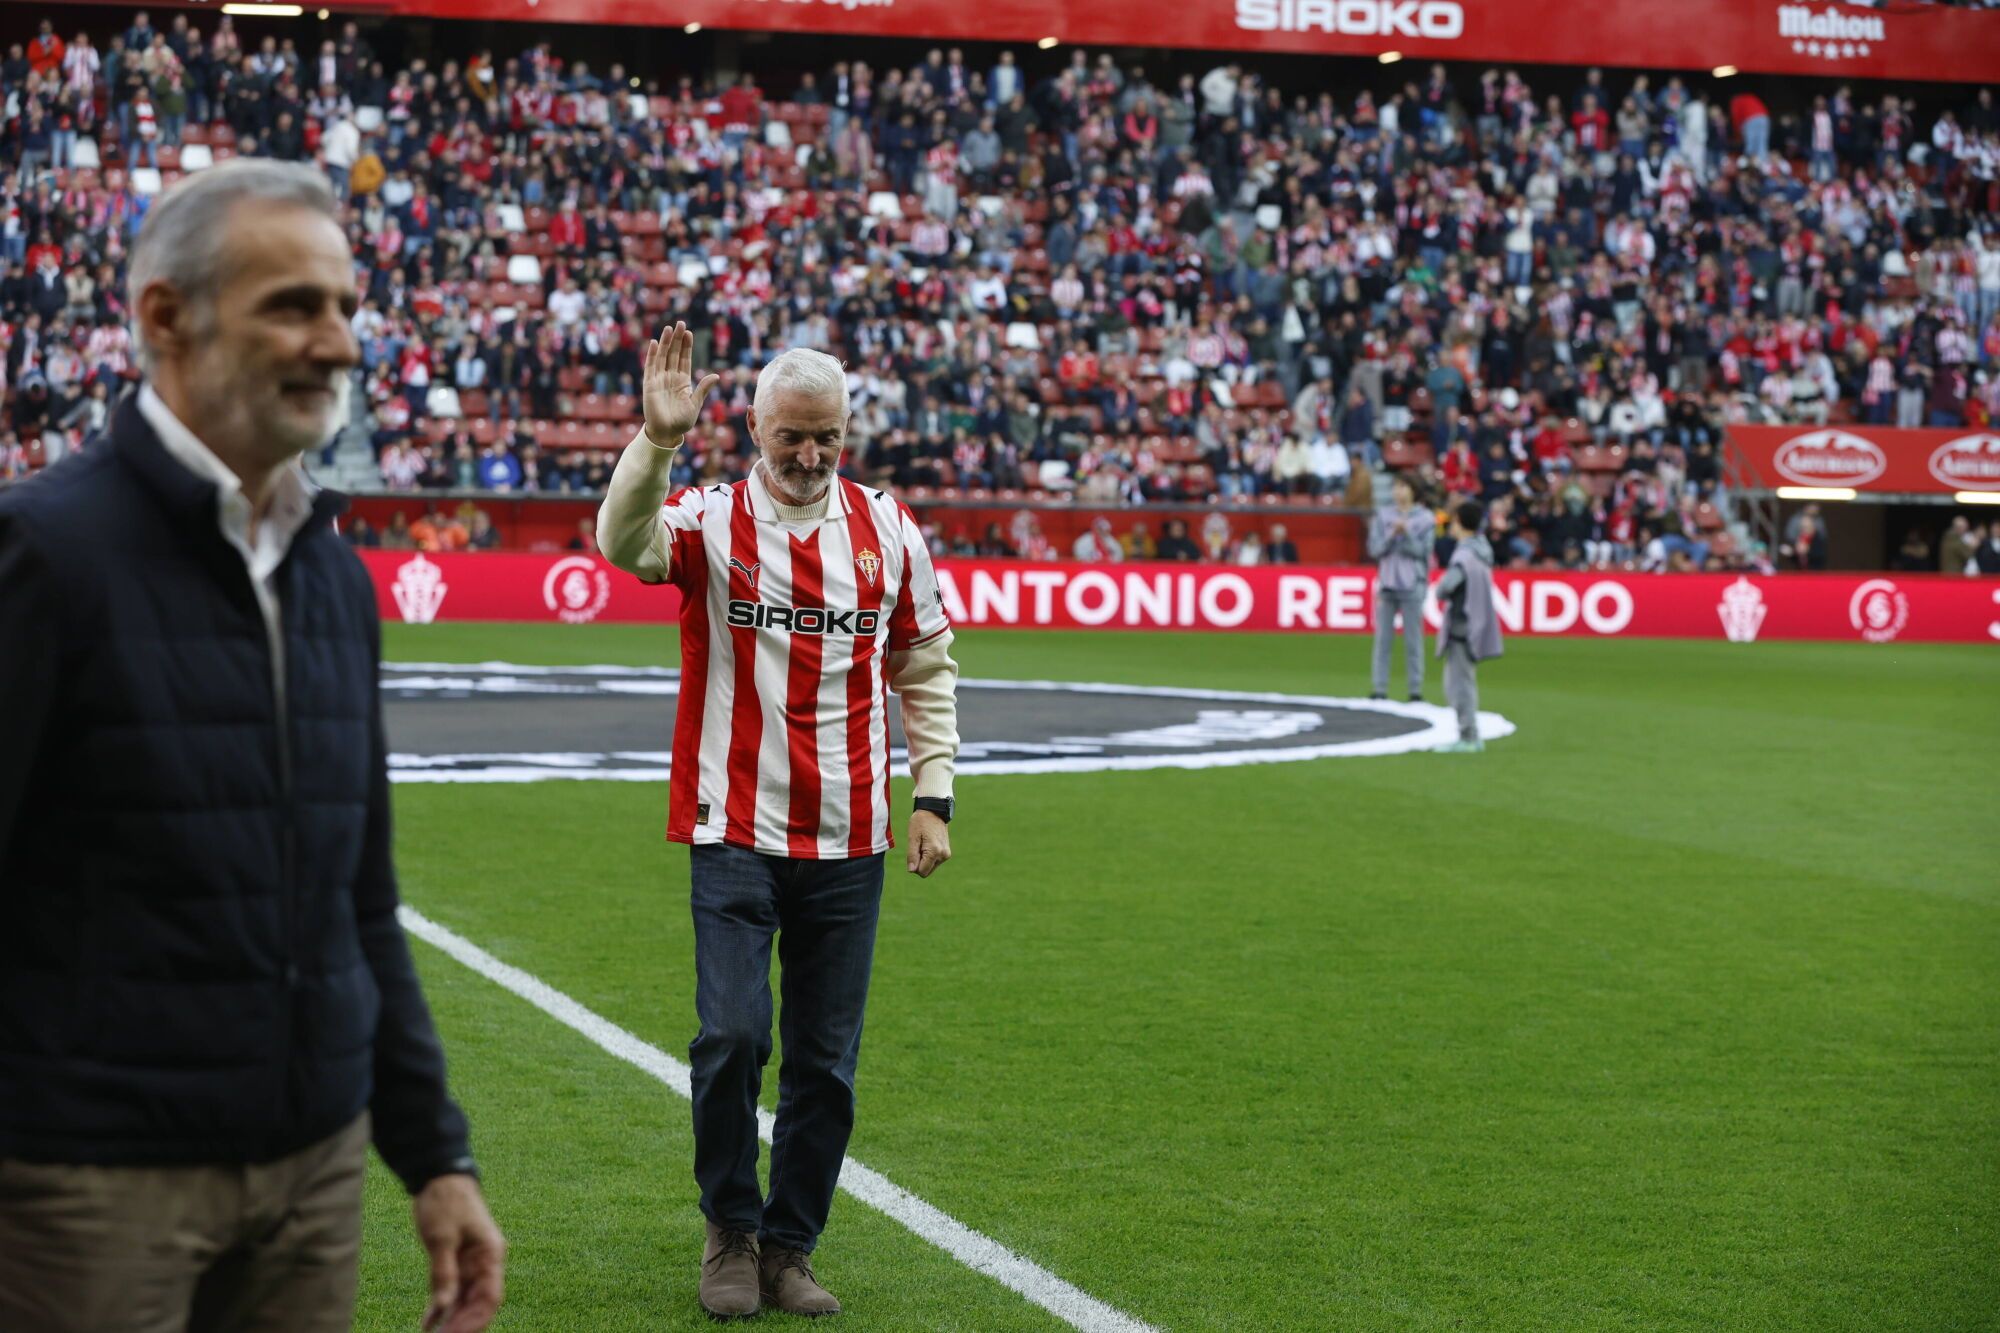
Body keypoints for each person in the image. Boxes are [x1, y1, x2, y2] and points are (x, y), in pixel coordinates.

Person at [0, 161, 503, 1333]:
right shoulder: (40, 556)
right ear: (165, 316)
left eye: (345, 306)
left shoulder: (332, 576)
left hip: (311, 1180)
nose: (338, 342)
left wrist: (435, 1155)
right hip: (87, 1187)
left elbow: (358, 900)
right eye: (293, 305)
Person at [595, 330, 961, 1320]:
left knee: (824, 1065)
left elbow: (926, 666)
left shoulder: (888, 528)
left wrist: (932, 795)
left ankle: (789, 1248)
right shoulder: (710, 520)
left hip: (851, 837)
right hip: (734, 827)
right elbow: (621, 545)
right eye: (792, 435)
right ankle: (730, 1226)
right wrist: (655, 441)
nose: (809, 454)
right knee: (730, 1034)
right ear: (754, 426)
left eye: (827, 437)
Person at [1432, 501, 1502, 753]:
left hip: (1462, 625)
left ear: (1460, 522)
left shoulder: (1464, 555)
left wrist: (1441, 587)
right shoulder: (1482, 551)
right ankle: (1469, 734)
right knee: (1463, 681)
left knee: (1458, 685)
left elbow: (1446, 587)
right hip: (1474, 624)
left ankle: (1469, 736)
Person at [1368, 475, 1433, 702]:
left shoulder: (1425, 519)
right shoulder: (1383, 516)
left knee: (1413, 640)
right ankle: (1379, 688)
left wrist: (1406, 534)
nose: (1398, 491)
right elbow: (1374, 550)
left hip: (1412, 584)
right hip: (1387, 583)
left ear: (1413, 490)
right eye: (1396, 487)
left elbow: (1423, 552)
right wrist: (1391, 536)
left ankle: (1415, 690)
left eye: (1403, 486)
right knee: (1382, 640)